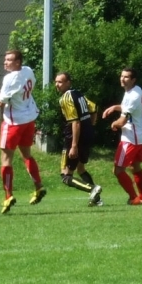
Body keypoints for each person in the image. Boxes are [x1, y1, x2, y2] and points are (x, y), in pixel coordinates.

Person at [0, 50, 44, 213]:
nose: (5, 62)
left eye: (9, 60)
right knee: (27, 154)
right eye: (5, 59)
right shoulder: (28, 70)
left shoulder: (10, 78)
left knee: (6, 159)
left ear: (18, 62)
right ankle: (38, 186)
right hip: (29, 118)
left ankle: (8, 196)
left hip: (14, 122)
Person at [54, 72, 103, 206]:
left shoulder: (65, 98)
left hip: (73, 136)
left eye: (61, 82)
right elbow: (94, 108)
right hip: (87, 134)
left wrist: (74, 145)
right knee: (80, 168)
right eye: (56, 81)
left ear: (68, 83)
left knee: (65, 176)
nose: (57, 85)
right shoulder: (79, 94)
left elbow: (75, 122)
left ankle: (93, 189)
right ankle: (97, 200)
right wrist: (90, 125)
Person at [102, 67, 142, 205]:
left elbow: (122, 122)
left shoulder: (132, 96)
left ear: (133, 80)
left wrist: (114, 124)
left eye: (126, 77)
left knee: (118, 170)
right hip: (141, 137)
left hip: (130, 139)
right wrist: (115, 108)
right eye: (122, 76)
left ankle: (133, 197)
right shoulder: (136, 90)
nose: (122, 79)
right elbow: (129, 108)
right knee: (135, 167)